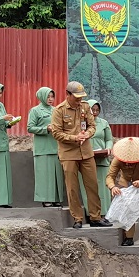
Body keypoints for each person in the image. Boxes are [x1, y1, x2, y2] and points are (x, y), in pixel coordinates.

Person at [49, 81, 110, 229]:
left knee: (92, 184)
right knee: (72, 188)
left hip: (87, 153)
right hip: (68, 154)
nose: (79, 100)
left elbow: (92, 126)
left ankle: (95, 217)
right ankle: (77, 218)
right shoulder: (59, 110)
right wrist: (74, 138)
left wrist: (86, 135)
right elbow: (56, 133)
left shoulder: (85, 107)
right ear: (67, 94)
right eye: (76, 97)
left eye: (81, 97)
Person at [27, 87, 64, 207]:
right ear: (42, 97)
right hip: (43, 147)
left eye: (52, 96)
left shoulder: (56, 110)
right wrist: (45, 129)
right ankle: (46, 199)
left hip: (56, 146)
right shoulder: (35, 111)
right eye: (48, 96)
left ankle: (56, 198)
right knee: (44, 174)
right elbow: (30, 127)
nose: (51, 99)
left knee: (56, 174)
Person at [86, 99, 114, 214]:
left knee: (103, 187)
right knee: (89, 187)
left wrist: (108, 148)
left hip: (101, 159)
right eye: (92, 110)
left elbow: (109, 139)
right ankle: (91, 213)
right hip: (86, 159)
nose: (95, 112)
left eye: (97, 110)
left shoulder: (103, 123)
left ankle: (104, 212)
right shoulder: (81, 123)